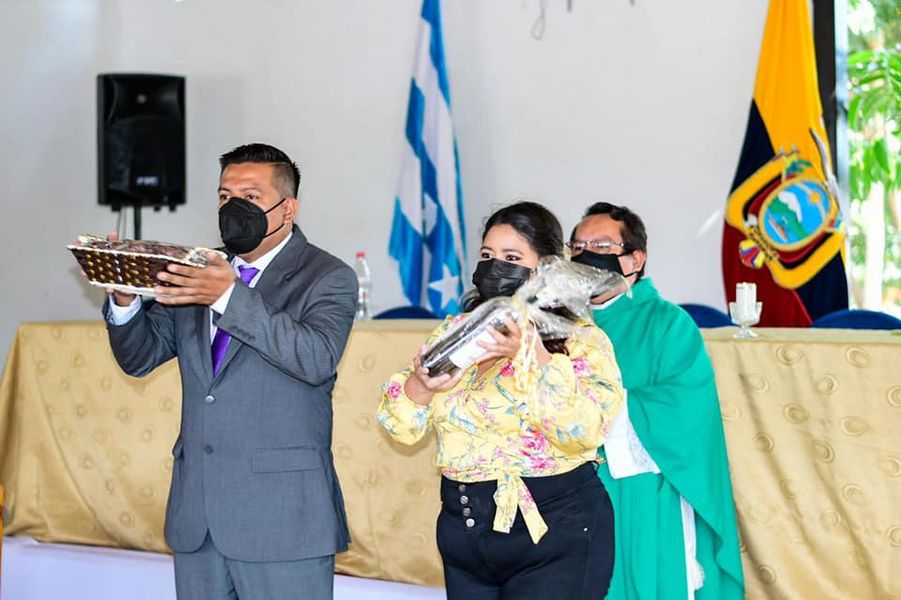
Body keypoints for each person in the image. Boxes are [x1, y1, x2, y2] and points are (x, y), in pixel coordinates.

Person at [102, 143, 358, 600]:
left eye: (250, 197)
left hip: (283, 520)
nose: (233, 208)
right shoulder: (195, 269)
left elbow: (315, 358)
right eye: (224, 196)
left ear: (287, 209)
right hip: (197, 514)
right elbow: (139, 357)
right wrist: (125, 299)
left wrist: (227, 296)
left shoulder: (327, 276)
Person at [377, 201, 624, 600]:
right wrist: (421, 387)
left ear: (544, 269)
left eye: (512, 258)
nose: (495, 267)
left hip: (553, 531)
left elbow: (580, 432)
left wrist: (529, 352)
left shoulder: (581, 340)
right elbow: (400, 427)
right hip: (464, 533)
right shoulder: (456, 331)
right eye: (487, 255)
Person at [568, 202, 744, 599]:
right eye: (577, 247)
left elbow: (685, 409)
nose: (586, 255)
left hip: (643, 488)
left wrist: (588, 403)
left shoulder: (668, 323)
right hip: (572, 489)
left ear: (636, 259)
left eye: (601, 245)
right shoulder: (562, 323)